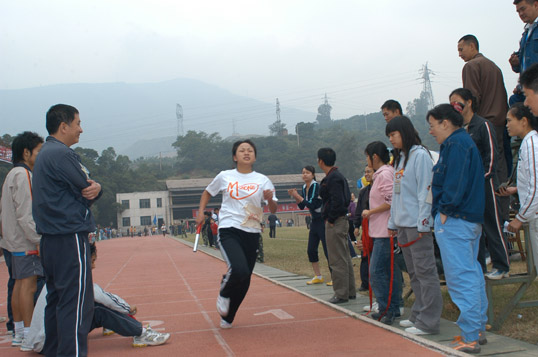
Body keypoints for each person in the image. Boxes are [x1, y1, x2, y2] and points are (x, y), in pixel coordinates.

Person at [32, 104, 103, 357]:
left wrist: (94, 186)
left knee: (56, 300)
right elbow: (86, 187)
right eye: (77, 123)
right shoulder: (61, 155)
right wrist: (97, 187)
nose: (81, 129)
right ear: (63, 126)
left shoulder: (44, 154)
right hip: (69, 236)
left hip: (50, 240)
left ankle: (53, 351)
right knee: (75, 304)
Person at [21, 242, 170, 352]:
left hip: (43, 340)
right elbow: (103, 297)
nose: (93, 266)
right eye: (92, 261)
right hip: (50, 343)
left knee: (92, 306)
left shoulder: (61, 273)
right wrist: (128, 309)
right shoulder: (74, 278)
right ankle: (141, 333)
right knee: (99, 309)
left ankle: (117, 326)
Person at [195, 139, 277, 329]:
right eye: (242, 150)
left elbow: (273, 208)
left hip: (252, 231)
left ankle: (229, 317)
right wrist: (201, 212)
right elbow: (208, 192)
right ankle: (224, 292)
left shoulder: (262, 180)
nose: (246, 153)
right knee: (238, 270)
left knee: (245, 278)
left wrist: (269, 198)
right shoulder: (225, 176)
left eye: (250, 150)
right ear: (235, 156)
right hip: (229, 229)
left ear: (255, 156)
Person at [428, 103, 487, 354]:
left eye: (432, 125)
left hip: (456, 220)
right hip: (465, 219)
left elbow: (455, 182)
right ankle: (477, 330)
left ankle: (471, 336)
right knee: (471, 275)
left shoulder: (456, 144)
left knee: (461, 279)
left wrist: (445, 211)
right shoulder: (459, 143)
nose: (430, 131)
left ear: (445, 123)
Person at [386, 116, 443, 335]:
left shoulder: (420, 156)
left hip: (416, 226)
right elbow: (397, 195)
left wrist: (423, 222)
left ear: (404, 132)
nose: (391, 139)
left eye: (393, 135)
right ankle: (419, 314)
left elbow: (424, 192)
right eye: (389, 136)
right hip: (402, 224)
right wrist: (393, 222)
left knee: (425, 272)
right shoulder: (400, 159)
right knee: (414, 273)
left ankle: (429, 322)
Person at [449, 88, 510, 279]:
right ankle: (479, 266)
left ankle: (502, 265)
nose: (454, 107)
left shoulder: (483, 125)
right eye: (451, 103)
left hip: (485, 184)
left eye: (457, 102)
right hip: (467, 189)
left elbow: (492, 156)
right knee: (474, 229)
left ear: (469, 102)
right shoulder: (458, 130)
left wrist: (483, 177)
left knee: (492, 224)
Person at [458, 34, 510, 220]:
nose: (459, 54)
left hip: (482, 124)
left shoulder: (471, 66)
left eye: (461, 49)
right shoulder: (494, 66)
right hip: (500, 123)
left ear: (472, 46)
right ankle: (503, 216)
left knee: (482, 171)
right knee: (500, 169)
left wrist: (467, 124)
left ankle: (488, 216)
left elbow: (472, 99)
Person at [0, 132, 44, 346]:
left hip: (13, 241)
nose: (41, 156)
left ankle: (19, 331)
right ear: (26, 153)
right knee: (28, 286)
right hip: (25, 241)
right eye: (39, 152)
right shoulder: (24, 175)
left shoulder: (11, 174)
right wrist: (38, 240)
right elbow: (26, 214)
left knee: (19, 284)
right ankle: (29, 333)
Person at [362, 142, 400, 325]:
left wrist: (371, 212)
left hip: (385, 232)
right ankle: (390, 308)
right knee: (383, 272)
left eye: (367, 157)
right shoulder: (382, 175)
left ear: (374, 157)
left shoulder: (385, 174)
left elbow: (392, 200)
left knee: (376, 272)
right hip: (380, 231)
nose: (367, 161)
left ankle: (387, 308)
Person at [502, 103, 538, 274]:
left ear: (523, 121)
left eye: (509, 120)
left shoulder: (531, 144)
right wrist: (517, 189)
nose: (507, 125)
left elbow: (536, 186)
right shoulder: (527, 143)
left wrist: (520, 218)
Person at [317, 148, 356, 304]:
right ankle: (350, 291)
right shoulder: (336, 176)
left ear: (321, 161)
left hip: (336, 221)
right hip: (341, 220)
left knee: (337, 259)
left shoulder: (333, 178)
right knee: (344, 257)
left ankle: (341, 293)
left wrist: (331, 218)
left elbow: (337, 200)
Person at [288, 165, 329, 285]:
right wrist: (296, 197)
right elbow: (301, 206)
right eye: (303, 172)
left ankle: (334, 276)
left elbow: (312, 205)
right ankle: (318, 275)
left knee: (327, 249)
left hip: (322, 219)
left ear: (313, 174)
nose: (304, 174)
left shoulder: (316, 185)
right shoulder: (304, 186)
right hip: (314, 221)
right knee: (311, 249)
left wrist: (297, 196)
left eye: (307, 172)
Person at [509, 0, 538, 105]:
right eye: (518, 11)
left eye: (523, 9)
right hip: (525, 88)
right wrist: (516, 62)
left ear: (535, 5)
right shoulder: (525, 33)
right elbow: (525, 63)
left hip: (535, 88)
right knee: (514, 102)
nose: (521, 14)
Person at [353, 165, 374, 292]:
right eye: (365, 172)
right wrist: (356, 226)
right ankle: (365, 282)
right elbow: (359, 210)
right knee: (364, 254)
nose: (367, 174)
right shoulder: (363, 192)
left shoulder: (378, 189)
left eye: (369, 171)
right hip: (366, 227)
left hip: (377, 226)